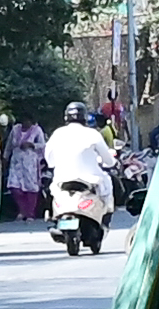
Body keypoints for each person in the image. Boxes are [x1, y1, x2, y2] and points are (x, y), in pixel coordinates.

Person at [46, 104, 118, 254]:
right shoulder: (93, 134)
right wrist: (110, 162)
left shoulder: (57, 134)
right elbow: (108, 160)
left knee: (51, 192)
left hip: (62, 180)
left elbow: (49, 160)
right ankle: (104, 222)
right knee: (108, 185)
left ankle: (51, 215)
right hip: (90, 180)